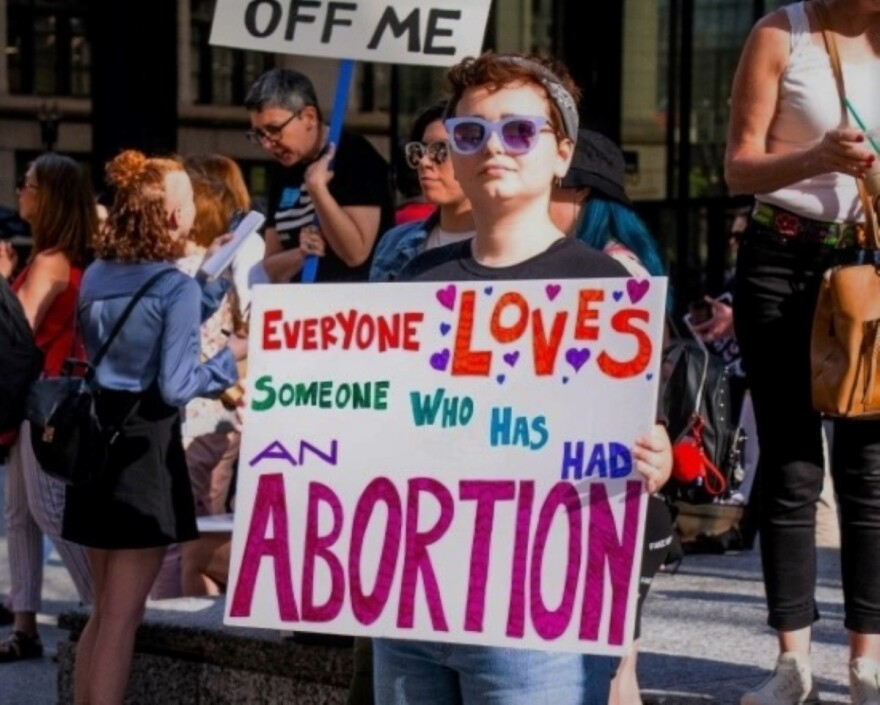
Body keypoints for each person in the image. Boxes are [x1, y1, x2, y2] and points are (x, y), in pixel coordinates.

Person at [377, 51, 673, 705]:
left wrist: (656, 456)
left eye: (519, 131)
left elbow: (643, 434)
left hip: (543, 618)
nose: (494, 149)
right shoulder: (416, 280)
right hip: (415, 602)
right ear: (451, 152)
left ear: (561, 153)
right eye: (470, 134)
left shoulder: (604, 286)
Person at [725, 1, 880, 703]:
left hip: (868, 268)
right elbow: (737, 167)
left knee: (869, 463)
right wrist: (819, 156)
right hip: (780, 259)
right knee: (790, 460)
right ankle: (793, 662)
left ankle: (865, 662)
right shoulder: (779, 33)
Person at [63, 149, 247, 704]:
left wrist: (207, 288)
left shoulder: (97, 273)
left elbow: (127, 339)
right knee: (124, 619)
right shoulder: (174, 286)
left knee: (102, 614)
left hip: (96, 443)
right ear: (172, 217)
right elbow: (173, 384)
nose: (192, 209)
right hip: (143, 450)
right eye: (187, 201)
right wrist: (231, 354)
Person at [549, 127, 676, 705]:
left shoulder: (610, 274)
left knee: (613, 665)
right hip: (609, 492)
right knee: (619, 659)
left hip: (610, 493)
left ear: (580, 197)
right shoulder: (626, 267)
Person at [0, 153, 97, 662]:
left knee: (45, 510)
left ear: (50, 197)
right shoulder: (64, 258)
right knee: (20, 512)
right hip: (40, 400)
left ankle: (99, 611)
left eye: (28, 184)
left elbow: (18, 334)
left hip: (43, 403)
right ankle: (25, 625)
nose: (21, 192)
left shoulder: (50, 261)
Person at [244, 68, 394, 283]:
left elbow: (356, 254)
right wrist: (300, 254)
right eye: (259, 134)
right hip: (300, 307)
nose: (267, 144)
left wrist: (318, 191)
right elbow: (270, 267)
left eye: (274, 129)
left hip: (354, 307)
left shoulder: (355, 155)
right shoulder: (283, 169)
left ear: (309, 117)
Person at [370, 99, 474, 282]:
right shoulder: (394, 242)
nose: (424, 162)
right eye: (419, 150)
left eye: (441, 150)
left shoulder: (506, 246)